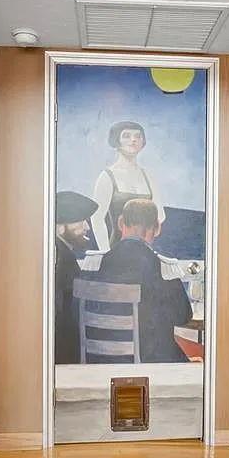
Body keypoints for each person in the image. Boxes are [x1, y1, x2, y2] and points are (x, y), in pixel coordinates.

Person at [94, 198, 191, 363]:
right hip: (151, 361)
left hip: (105, 359)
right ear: (157, 228)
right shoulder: (161, 266)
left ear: (120, 223)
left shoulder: (102, 263)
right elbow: (183, 315)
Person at [90, 121, 165, 252]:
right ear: (116, 141)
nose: (133, 140)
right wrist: (106, 252)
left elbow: (160, 215)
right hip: (116, 249)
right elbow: (97, 218)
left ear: (143, 142)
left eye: (138, 136)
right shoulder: (107, 176)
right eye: (126, 136)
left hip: (145, 249)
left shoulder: (148, 176)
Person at [54, 191, 98, 365]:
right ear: (60, 227)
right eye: (81, 221)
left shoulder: (60, 253)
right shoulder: (63, 260)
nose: (87, 227)